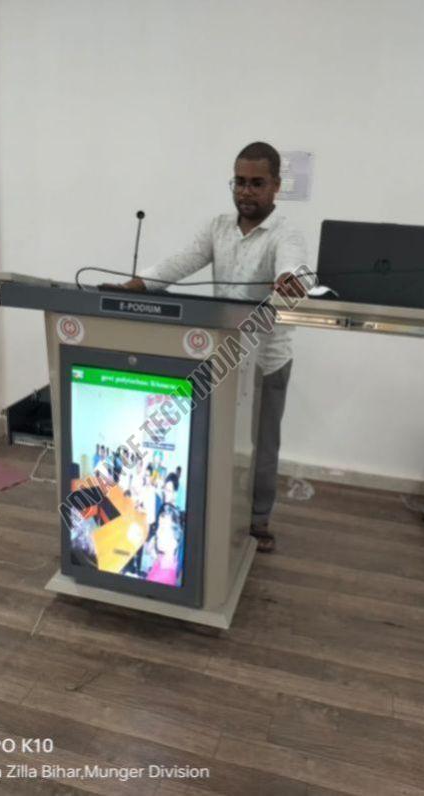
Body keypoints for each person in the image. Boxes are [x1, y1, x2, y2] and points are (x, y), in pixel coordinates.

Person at [109, 142, 307, 553]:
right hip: (224, 352)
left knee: (262, 442)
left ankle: (257, 520)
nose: (246, 192)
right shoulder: (217, 227)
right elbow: (181, 261)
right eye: (239, 182)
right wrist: (138, 284)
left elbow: (293, 266)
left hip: (268, 357)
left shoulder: (286, 233)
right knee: (214, 436)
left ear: (275, 186)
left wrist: (289, 279)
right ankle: (211, 508)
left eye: (257, 183)